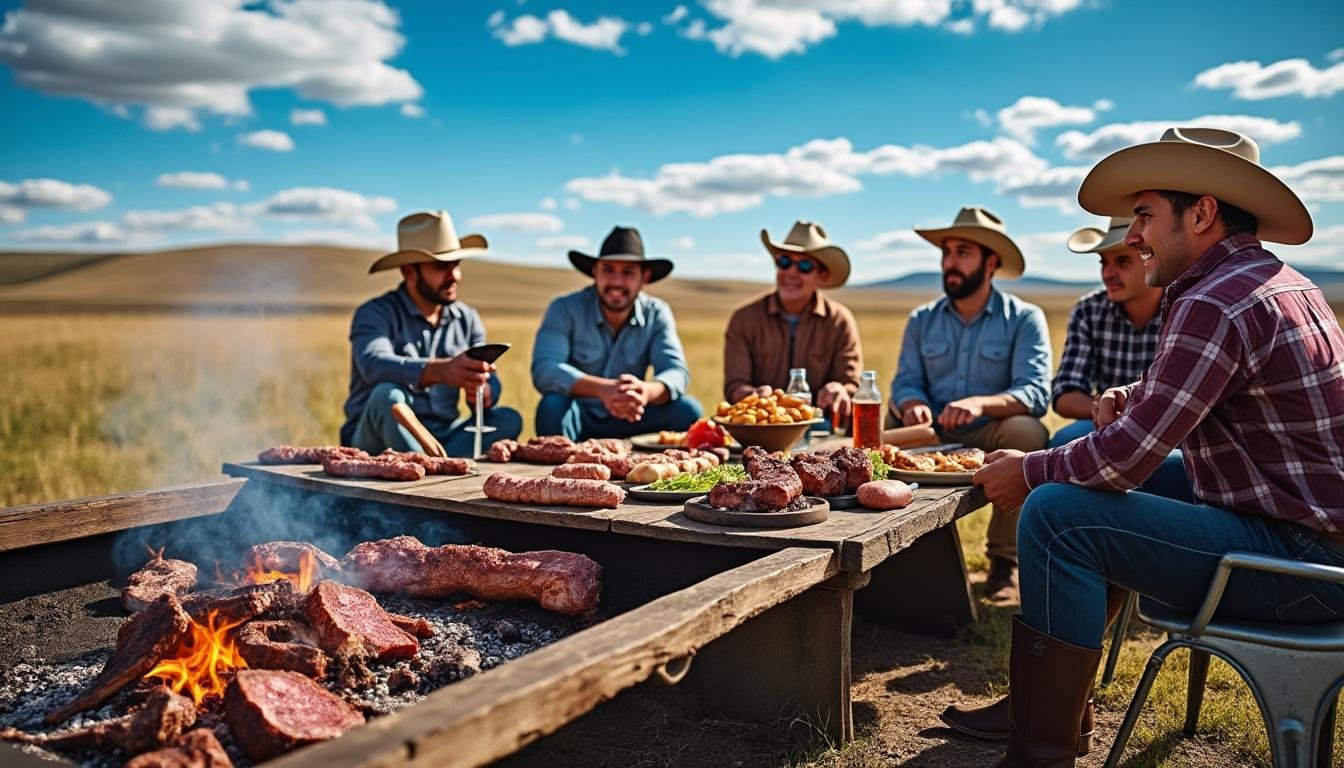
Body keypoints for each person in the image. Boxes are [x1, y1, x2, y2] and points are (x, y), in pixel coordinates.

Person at [972, 127, 1343, 767]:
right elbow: (1201, 380)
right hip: (1310, 540)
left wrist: (1029, 470)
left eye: (1145, 215)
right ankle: (1051, 713)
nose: (1134, 234)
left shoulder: (1215, 301)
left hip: (1304, 566)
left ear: (1201, 213)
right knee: (1096, 490)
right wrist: (1131, 391)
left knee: (1057, 515)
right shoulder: (1276, 283)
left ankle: (1042, 750)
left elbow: (1121, 460)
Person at [889, 206, 1051, 601]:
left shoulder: (1025, 318)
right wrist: (911, 403)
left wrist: (982, 403)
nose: (950, 263)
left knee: (1028, 431)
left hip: (989, 431)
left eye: (963, 252)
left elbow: (1035, 392)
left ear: (991, 262)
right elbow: (905, 381)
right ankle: (888, 559)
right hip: (933, 428)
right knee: (880, 426)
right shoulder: (921, 319)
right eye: (947, 253)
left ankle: (1004, 563)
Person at [342, 211, 522, 457]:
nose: (454, 276)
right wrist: (442, 371)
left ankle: (435, 466)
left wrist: (482, 392)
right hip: (377, 442)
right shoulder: (375, 313)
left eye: (456, 265)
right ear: (409, 271)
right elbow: (373, 364)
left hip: (444, 437)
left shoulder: (467, 319)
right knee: (387, 396)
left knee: (508, 419)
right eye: (441, 267)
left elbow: (489, 385)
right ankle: (432, 468)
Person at [1048, 217, 1191, 502]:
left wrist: (1135, 414)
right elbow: (1064, 394)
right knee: (1064, 440)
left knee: (1183, 461)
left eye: (1122, 262)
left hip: (1173, 431)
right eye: (1104, 263)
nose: (1108, 273)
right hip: (1106, 427)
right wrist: (1108, 409)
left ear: (1151, 259)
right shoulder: (1090, 310)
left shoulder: (1185, 308)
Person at [532, 226, 702, 440]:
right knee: (552, 406)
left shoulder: (656, 312)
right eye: (608, 269)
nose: (616, 282)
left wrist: (645, 392)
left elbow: (676, 372)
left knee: (688, 410)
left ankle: (664, 469)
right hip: (581, 417)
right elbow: (545, 368)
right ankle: (558, 468)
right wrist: (602, 389)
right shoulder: (564, 308)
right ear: (595, 271)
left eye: (628, 272)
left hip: (635, 415)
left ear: (644, 277)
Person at [723, 220, 862, 425]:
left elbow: (851, 383)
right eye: (785, 262)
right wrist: (754, 397)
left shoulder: (839, 321)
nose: (791, 272)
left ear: (821, 275)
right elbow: (735, 385)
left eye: (804, 265)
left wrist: (841, 390)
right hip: (762, 424)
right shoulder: (744, 319)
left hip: (820, 421)